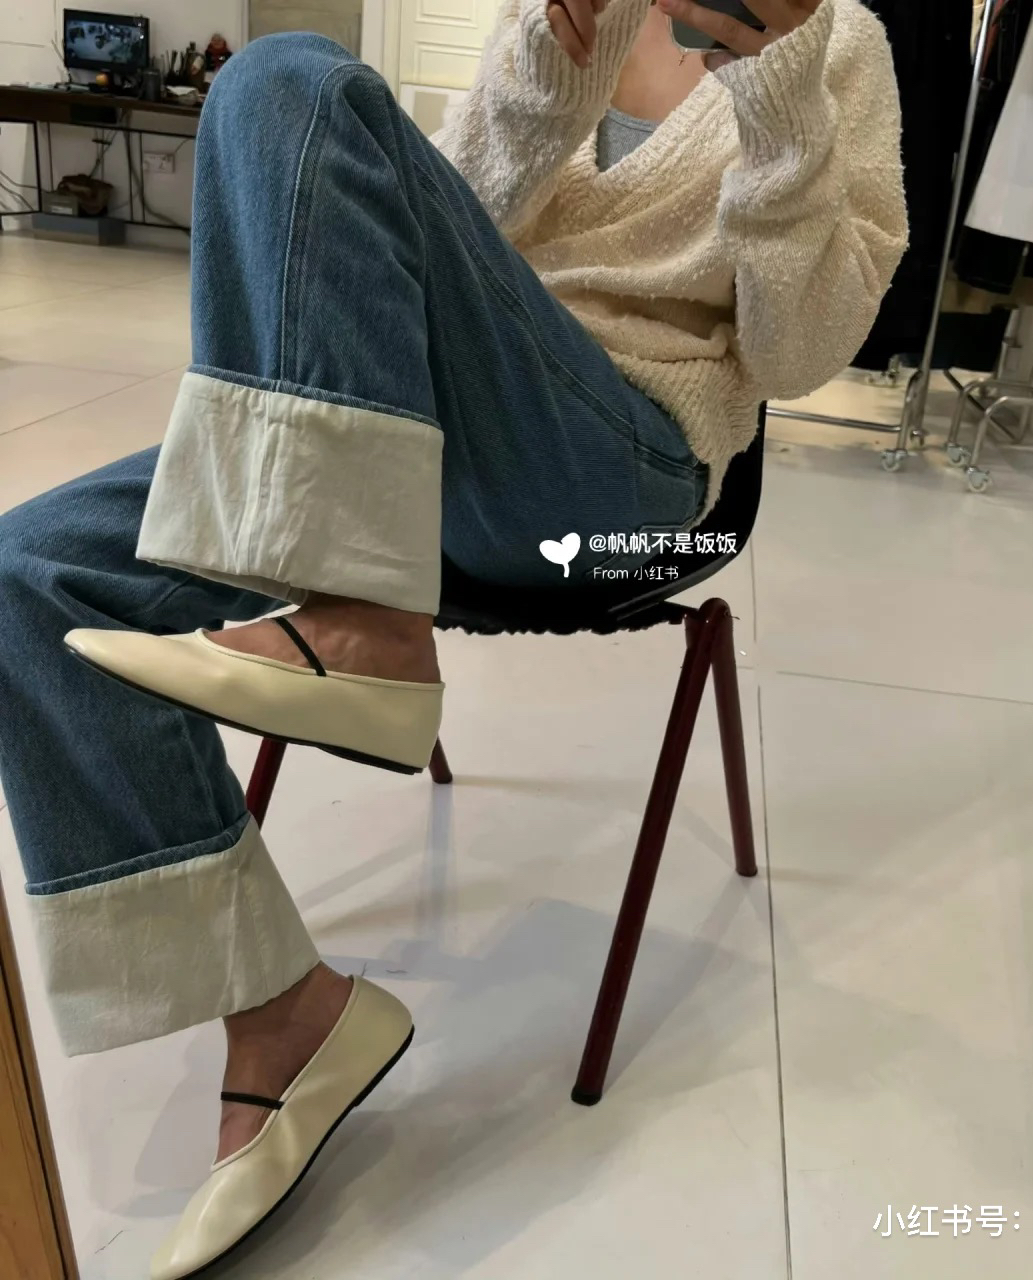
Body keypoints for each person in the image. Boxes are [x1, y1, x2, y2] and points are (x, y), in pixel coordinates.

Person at [0, 0, 905, 1275]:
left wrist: (773, 80)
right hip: (414, 452)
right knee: (28, 573)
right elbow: (402, 243)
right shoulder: (569, 16)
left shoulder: (831, 40)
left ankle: (367, 623)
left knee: (288, 79)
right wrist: (551, 66)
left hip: (614, 479)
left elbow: (798, 352)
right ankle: (283, 1013)